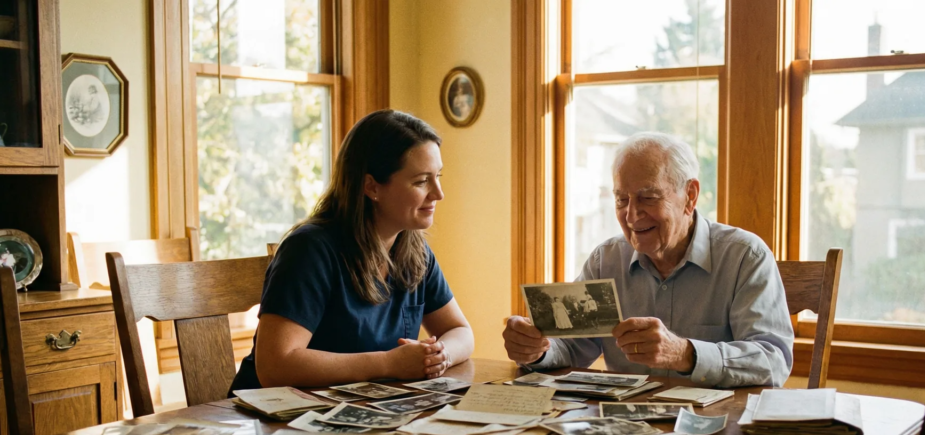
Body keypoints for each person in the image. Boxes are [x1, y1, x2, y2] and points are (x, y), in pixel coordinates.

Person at [502, 132, 793, 388]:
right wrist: (537, 351)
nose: (631, 216)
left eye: (648, 198)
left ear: (690, 196)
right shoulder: (606, 261)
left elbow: (773, 361)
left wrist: (685, 354)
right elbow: (571, 348)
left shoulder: (745, 256)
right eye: (621, 199)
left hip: (718, 433)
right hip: (622, 430)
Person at [230, 110, 474, 393]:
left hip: (363, 413)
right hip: (276, 422)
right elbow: (275, 367)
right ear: (371, 186)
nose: (438, 193)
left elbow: (461, 332)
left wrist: (440, 354)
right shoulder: (309, 250)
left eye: (438, 176)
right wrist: (388, 364)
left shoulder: (414, 250)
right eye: (421, 181)